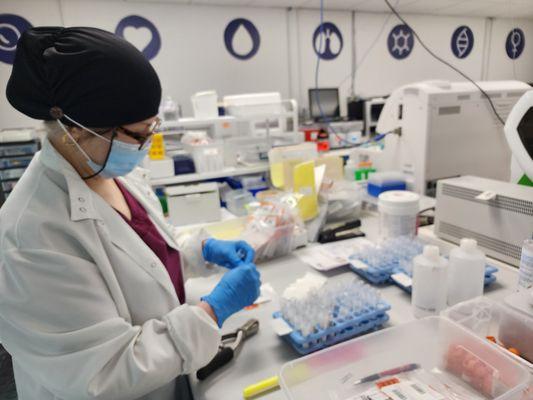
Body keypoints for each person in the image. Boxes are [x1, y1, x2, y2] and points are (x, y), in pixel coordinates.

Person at [0, 26, 261, 400]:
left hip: (170, 380)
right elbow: (104, 374)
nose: (146, 144)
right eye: (139, 135)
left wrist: (197, 252)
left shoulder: (111, 170)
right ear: (78, 129)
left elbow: (139, 260)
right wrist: (211, 313)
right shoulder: (29, 236)